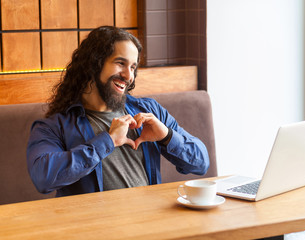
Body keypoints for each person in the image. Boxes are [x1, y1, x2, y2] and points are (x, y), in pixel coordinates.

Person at [27, 26, 209, 197]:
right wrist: (108, 140)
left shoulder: (149, 111)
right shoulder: (53, 127)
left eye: (133, 67)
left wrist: (167, 136)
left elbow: (201, 163)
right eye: (120, 63)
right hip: (97, 227)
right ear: (94, 64)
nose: (129, 76)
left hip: (151, 221)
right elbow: (43, 178)